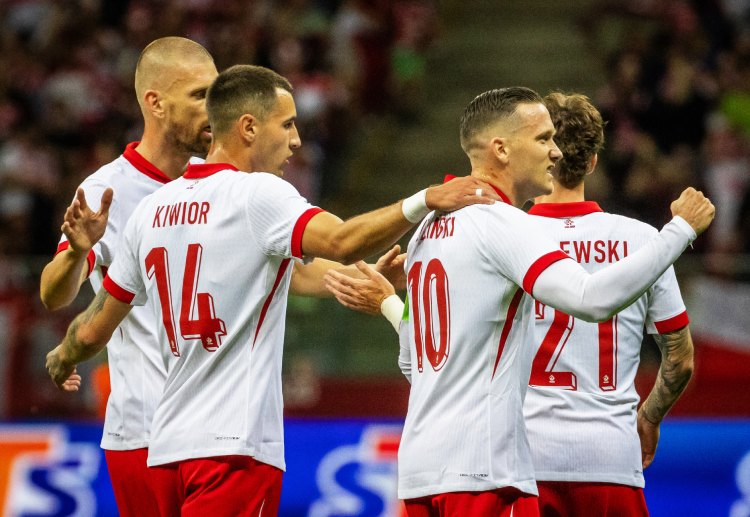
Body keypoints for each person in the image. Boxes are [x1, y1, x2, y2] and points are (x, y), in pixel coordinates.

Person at [44, 64, 499, 516]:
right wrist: (423, 201)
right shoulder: (258, 195)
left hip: (164, 449)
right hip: (234, 447)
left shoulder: (151, 210)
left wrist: (63, 355)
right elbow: (342, 241)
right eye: (287, 125)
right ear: (248, 127)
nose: (297, 140)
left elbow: (90, 331)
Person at [323, 86, 713, 516]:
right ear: (501, 149)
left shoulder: (428, 231)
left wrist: (387, 302)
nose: (554, 153)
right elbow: (590, 298)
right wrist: (679, 231)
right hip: (492, 474)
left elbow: (416, 361)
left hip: (422, 472)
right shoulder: (505, 224)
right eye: (543, 140)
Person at [39, 36, 219, 517]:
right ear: (155, 103)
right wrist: (77, 253)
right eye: (200, 95)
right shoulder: (105, 191)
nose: (214, 109)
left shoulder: (225, 183)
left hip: (219, 429)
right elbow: (54, 296)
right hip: (143, 429)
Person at [522, 92, 694, 516]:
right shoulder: (643, 240)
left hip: (523, 461)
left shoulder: (505, 237)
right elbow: (681, 358)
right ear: (594, 161)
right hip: (610, 461)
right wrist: (649, 417)